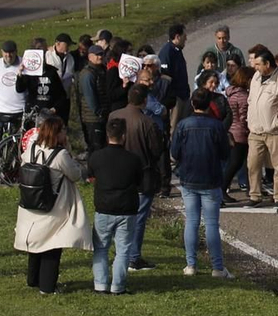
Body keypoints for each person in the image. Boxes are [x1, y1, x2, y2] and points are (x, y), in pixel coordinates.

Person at [15, 115, 92, 294]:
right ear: (57, 134)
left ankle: (33, 279)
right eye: (63, 130)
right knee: (52, 244)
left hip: (30, 203)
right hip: (52, 206)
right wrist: (68, 149)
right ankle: (47, 286)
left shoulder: (32, 149)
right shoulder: (60, 155)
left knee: (35, 243)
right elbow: (75, 175)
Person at [170, 89, 236, 277]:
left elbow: (174, 152)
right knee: (211, 224)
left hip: (188, 177)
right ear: (210, 104)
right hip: (211, 178)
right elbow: (225, 153)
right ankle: (217, 267)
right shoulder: (216, 126)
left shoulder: (183, 125)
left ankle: (191, 264)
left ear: (192, 103)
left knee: (191, 221)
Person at [108, 86, 168, 270]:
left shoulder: (114, 116)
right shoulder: (147, 122)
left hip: (117, 173)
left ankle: (122, 252)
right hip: (143, 175)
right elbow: (156, 150)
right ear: (144, 101)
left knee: (119, 215)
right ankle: (133, 256)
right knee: (138, 218)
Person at [85, 116, 146, 294]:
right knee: (123, 249)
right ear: (124, 136)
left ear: (107, 135)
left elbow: (91, 178)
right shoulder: (133, 160)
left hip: (104, 208)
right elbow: (139, 182)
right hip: (127, 209)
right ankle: (118, 286)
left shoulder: (96, 157)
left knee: (101, 248)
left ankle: (100, 284)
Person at [244, 46, 278, 208]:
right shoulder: (256, 77)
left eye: (258, 64)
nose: (255, 67)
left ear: (268, 64)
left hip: (276, 131)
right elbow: (251, 100)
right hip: (255, 131)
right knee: (253, 164)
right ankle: (255, 195)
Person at [0, 41, 30, 140]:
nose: (8, 55)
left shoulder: (24, 64)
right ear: (1, 52)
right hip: (3, 111)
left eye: (11, 52)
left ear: (16, 52)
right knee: (3, 142)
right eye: (6, 52)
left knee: (21, 142)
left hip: (21, 111)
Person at [221, 62, 251, 203]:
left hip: (231, 129)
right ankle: (222, 189)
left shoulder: (231, 92)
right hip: (240, 132)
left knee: (234, 163)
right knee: (236, 163)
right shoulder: (243, 96)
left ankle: (222, 189)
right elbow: (244, 116)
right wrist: (248, 129)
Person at [76, 42, 109, 153]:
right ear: (90, 57)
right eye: (97, 55)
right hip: (93, 118)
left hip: (102, 115)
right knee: (96, 148)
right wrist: (99, 111)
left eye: (101, 54)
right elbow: (90, 96)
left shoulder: (102, 70)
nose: (100, 57)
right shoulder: (88, 74)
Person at [156, 24, 190, 96]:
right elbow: (164, 75)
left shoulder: (177, 50)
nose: (186, 39)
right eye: (184, 36)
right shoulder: (167, 52)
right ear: (177, 37)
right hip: (175, 97)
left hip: (183, 95)